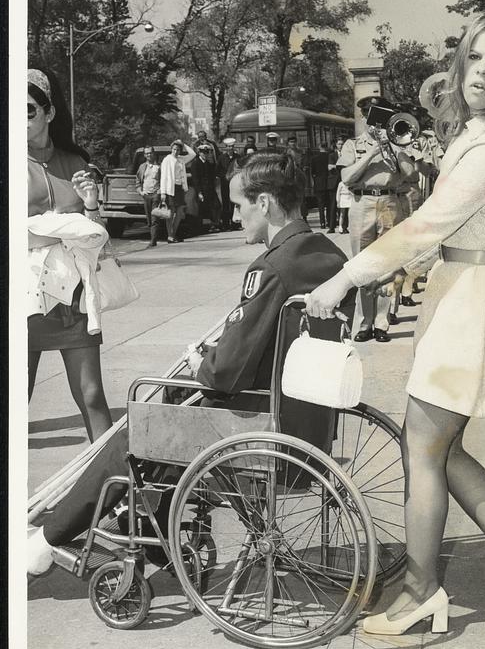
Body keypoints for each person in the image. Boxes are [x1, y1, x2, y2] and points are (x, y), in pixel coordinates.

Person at [306, 12, 485, 634]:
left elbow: (427, 224)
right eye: (475, 57)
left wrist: (348, 277)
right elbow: (443, 232)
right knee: (438, 447)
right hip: (465, 291)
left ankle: (423, 590)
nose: (481, 72)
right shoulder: (481, 135)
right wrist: (408, 269)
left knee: (424, 445)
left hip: (475, 302)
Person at [28, 152, 355, 575]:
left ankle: (50, 537)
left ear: (266, 203)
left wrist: (202, 360)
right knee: (161, 412)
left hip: (257, 419)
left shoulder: (273, 267)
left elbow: (225, 371)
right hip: (307, 415)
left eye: (240, 206)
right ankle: (147, 524)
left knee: (137, 430)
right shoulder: (328, 255)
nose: (236, 217)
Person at [28, 67, 112, 443]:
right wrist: (61, 229)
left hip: (72, 298)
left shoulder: (76, 163)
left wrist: (91, 204)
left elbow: (99, 239)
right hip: (23, 299)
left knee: (92, 395)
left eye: (29, 109)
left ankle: (115, 492)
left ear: (49, 113)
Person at [337, 95, 416, 343]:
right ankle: (364, 323)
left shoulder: (397, 142)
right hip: (363, 204)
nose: (377, 124)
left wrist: (394, 148)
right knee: (362, 265)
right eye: (373, 116)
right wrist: (371, 152)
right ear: (365, 117)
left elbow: (411, 174)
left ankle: (381, 323)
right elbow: (347, 177)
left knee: (387, 265)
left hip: (390, 202)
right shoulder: (353, 144)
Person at [160, 139, 196, 243]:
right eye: (174, 149)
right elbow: (163, 177)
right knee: (170, 213)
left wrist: (183, 143)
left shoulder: (181, 159)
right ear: (171, 149)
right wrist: (163, 192)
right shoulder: (167, 160)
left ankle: (173, 234)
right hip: (170, 189)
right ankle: (170, 236)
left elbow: (193, 154)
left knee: (180, 213)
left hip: (180, 188)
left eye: (178, 150)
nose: (176, 151)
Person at [135, 146, 162, 247]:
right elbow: (137, 181)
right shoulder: (142, 167)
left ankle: (153, 241)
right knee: (149, 219)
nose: (148, 155)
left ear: (153, 153)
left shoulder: (159, 166)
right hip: (146, 196)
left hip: (156, 195)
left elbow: (163, 180)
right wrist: (140, 192)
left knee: (155, 218)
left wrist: (160, 191)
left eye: (150, 153)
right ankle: (153, 238)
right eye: (146, 153)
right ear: (144, 155)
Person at [311, 142, 330, 229]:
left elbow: (313, 172)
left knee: (320, 205)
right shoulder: (329, 156)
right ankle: (329, 221)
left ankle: (322, 223)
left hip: (318, 183)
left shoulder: (314, 158)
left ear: (319, 147)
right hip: (329, 183)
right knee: (329, 203)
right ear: (326, 147)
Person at [327, 137, 344, 233]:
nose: (340, 146)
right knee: (333, 205)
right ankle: (331, 227)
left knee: (344, 205)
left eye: (342, 144)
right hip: (334, 182)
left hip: (343, 181)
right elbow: (329, 167)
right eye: (339, 144)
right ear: (336, 145)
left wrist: (335, 166)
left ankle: (344, 226)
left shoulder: (346, 155)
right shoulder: (332, 155)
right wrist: (340, 166)